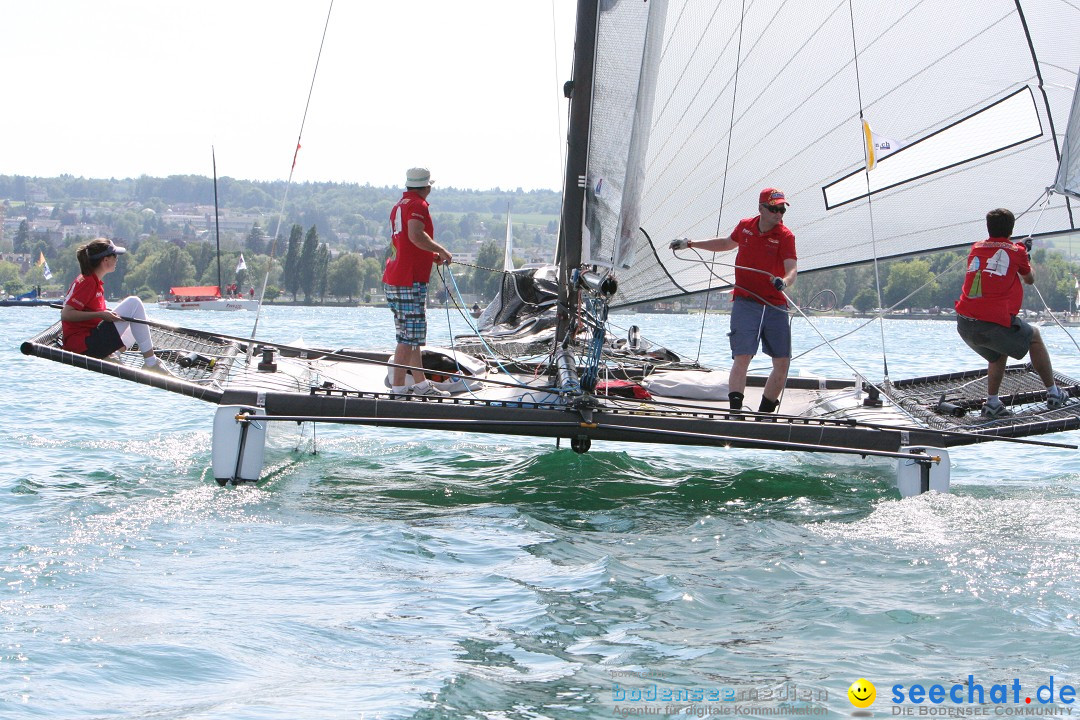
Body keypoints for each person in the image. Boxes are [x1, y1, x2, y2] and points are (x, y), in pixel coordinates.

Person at [668, 188, 797, 413]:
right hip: (745, 302)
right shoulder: (745, 226)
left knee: (782, 362)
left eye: (782, 209)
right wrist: (691, 243)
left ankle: (764, 415)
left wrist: (784, 282)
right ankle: (735, 412)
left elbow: (792, 270)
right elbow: (726, 243)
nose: (779, 214)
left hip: (775, 304)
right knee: (742, 356)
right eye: (774, 208)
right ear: (761, 208)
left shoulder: (785, 236)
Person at [954, 208, 1066, 418]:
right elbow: (1029, 278)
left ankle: (993, 403)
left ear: (988, 227)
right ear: (1011, 228)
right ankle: (1053, 393)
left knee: (998, 349)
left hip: (964, 324)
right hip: (991, 324)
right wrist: (1025, 256)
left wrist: (1020, 248)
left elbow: (997, 255)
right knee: (1034, 336)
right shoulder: (1017, 252)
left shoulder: (976, 248)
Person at [383, 167, 454, 397]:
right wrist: (441, 250)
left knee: (412, 337)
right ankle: (399, 390)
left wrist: (430, 255)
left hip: (398, 277)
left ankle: (421, 385)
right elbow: (415, 235)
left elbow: (407, 243)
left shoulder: (400, 205)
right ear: (427, 187)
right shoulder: (417, 205)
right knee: (407, 338)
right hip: (408, 280)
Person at [61, 238, 176, 376]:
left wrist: (102, 313)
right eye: (114, 256)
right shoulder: (88, 282)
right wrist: (100, 314)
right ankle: (151, 363)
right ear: (105, 260)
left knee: (137, 319)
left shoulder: (93, 280)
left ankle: (112, 354)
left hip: (89, 341)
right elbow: (66, 314)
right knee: (134, 303)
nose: (117, 259)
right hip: (84, 346)